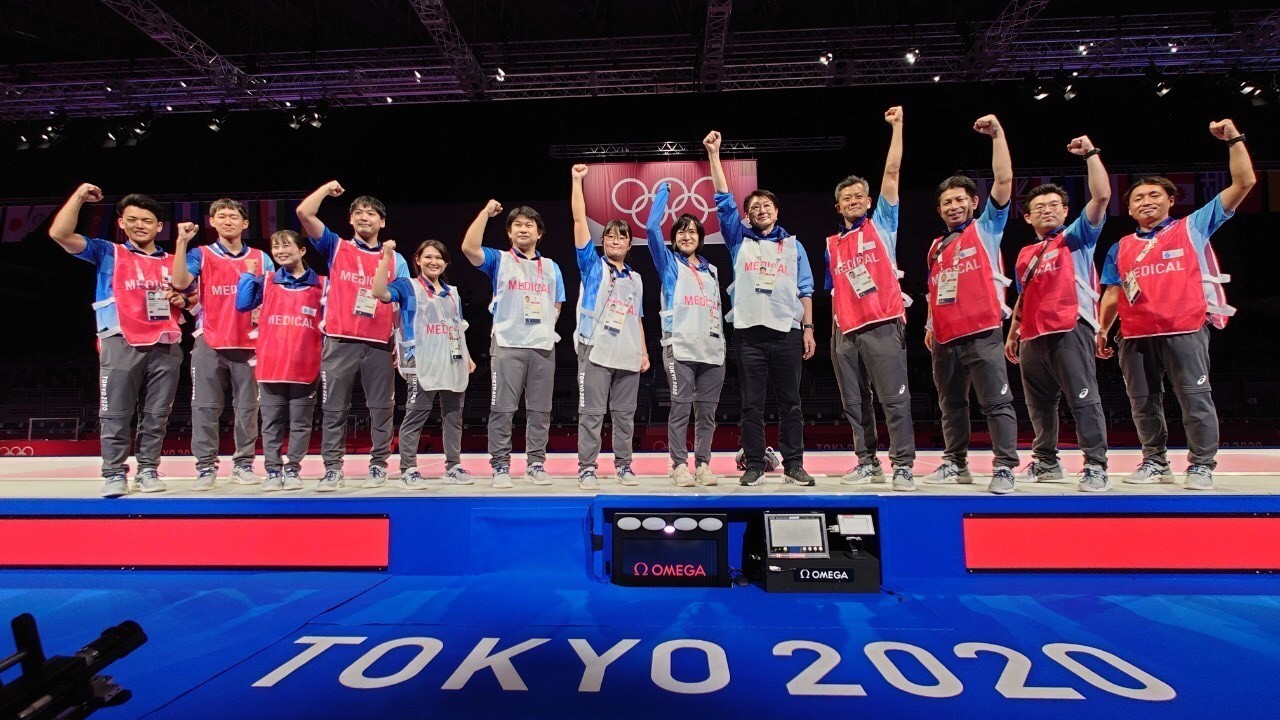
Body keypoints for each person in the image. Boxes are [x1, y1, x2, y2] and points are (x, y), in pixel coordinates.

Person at [1097, 119, 1255, 490]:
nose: (1146, 201)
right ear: (1130, 209)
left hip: (1184, 328)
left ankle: (1201, 465)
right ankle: (1154, 462)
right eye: (1138, 198)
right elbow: (1112, 293)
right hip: (1134, 337)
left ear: (1171, 200)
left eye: (1154, 196)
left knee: (1195, 399)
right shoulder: (1120, 246)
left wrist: (1234, 139)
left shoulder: (1192, 226)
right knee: (1142, 403)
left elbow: (1244, 183)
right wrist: (1103, 330)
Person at [49, 185, 187, 498]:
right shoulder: (107, 251)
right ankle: (114, 473)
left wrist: (181, 297)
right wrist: (80, 197)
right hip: (120, 339)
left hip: (165, 343)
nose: (141, 225)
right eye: (133, 219)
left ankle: (149, 469)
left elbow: (189, 297)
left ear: (159, 227)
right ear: (121, 222)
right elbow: (59, 233)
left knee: (156, 414)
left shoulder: (173, 261)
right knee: (116, 413)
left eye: (147, 220)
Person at [704, 130, 818, 488]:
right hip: (749, 333)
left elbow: (805, 289)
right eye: (753, 208)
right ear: (748, 216)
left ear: (777, 211)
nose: (760, 210)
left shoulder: (793, 245)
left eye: (766, 205)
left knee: (792, 403)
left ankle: (794, 464)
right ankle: (754, 463)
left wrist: (810, 329)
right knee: (751, 404)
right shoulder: (739, 241)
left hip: (787, 332)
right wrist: (714, 153)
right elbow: (724, 200)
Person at [1004, 134, 1112, 493]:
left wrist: (1092, 155)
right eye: (1039, 207)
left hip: (1071, 327)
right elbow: (1023, 296)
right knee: (1039, 405)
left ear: (1065, 211)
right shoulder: (1024, 253)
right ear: (1028, 215)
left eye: (1054, 205)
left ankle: (1096, 466)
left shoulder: (1076, 237)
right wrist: (1014, 331)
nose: (1047, 210)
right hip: (1033, 334)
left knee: (1083, 399)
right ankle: (1046, 461)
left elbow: (1101, 197)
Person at [922, 114, 1019, 495]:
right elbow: (934, 291)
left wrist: (998, 134)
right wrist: (930, 325)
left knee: (996, 402)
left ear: (974, 202)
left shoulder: (987, 229)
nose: (952, 206)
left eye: (960, 199)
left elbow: (1005, 181)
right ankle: (955, 463)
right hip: (945, 338)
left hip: (982, 332)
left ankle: (1006, 467)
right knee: (951, 406)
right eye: (946, 202)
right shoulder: (935, 246)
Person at [825, 105, 917, 492]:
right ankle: (867, 461)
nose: (854, 200)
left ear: (869, 200)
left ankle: (902, 466)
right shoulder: (832, 243)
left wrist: (897, 128)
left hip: (881, 323)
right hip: (844, 330)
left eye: (860, 195)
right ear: (838, 206)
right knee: (854, 401)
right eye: (847, 197)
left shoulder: (882, 224)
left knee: (893, 400)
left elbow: (892, 172)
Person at [296, 181, 409, 491]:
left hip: (378, 344)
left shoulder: (395, 259)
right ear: (350, 220)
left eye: (371, 213)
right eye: (358, 212)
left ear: (382, 222)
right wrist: (324, 191)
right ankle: (332, 468)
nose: (364, 217)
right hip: (339, 340)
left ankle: (379, 465)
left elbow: (400, 303)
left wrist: (400, 341)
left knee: (382, 409)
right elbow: (304, 212)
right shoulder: (336, 246)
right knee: (334, 408)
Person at [460, 199, 566, 489]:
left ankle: (536, 464)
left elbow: (558, 303)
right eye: (517, 224)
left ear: (539, 233)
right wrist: (484, 213)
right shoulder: (500, 260)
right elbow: (469, 249)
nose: (523, 228)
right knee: (503, 409)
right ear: (509, 233)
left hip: (543, 347)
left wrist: (543, 330)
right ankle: (500, 466)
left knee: (540, 410)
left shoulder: (552, 267)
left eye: (529, 224)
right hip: (507, 344)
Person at [170, 199, 271, 491]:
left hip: (250, 345)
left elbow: (271, 297)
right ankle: (205, 467)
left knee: (248, 409)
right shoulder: (200, 254)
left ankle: (243, 464)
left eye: (234, 216)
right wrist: (181, 242)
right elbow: (180, 282)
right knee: (205, 407)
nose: (228, 221)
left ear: (245, 223)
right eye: (221, 216)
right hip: (210, 341)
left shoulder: (262, 258)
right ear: (212, 222)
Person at [569, 164, 650, 490]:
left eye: (622, 236)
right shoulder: (591, 266)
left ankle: (623, 466)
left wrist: (644, 352)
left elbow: (638, 317)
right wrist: (577, 182)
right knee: (591, 414)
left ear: (630, 243)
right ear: (602, 241)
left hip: (628, 351)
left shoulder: (637, 279)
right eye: (610, 235)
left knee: (624, 415)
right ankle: (587, 468)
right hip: (594, 348)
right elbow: (578, 219)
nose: (615, 239)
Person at [371, 239, 476, 488]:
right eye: (427, 257)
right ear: (417, 260)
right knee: (416, 415)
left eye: (438, 257)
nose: (433, 261)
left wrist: (468, 356)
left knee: (453, 416)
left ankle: (453, 466)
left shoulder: (453, 293)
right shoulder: (408, 287)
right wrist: (386, 257)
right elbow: (378, 292)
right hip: (421, 361)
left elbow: (457, 328)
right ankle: (408, 468)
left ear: (445, 263)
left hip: (451, 361)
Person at [645, 182, 726, 487]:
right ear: (674, 239)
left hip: (712, 351)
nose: (686, 235)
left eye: (692, 231)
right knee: (680, 408)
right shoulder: (669, 265)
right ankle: (679, 464)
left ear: (701, 238)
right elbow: (652, 228)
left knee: (707, 413)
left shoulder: (712, 270)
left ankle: (703, 463)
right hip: (679, 348)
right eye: (681, 231)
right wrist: (662, 193)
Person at [235, 230, 324, 492]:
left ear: (302, 250)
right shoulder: (266, 281)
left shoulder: (321, 284)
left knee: (301, 422)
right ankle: (273, 470)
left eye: (286, 246)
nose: (280, 251)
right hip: (272, 365)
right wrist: (248, 275)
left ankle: (294, 469)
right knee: (272, 422)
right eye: (275, 247)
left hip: (306, 365)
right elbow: (242, 305)